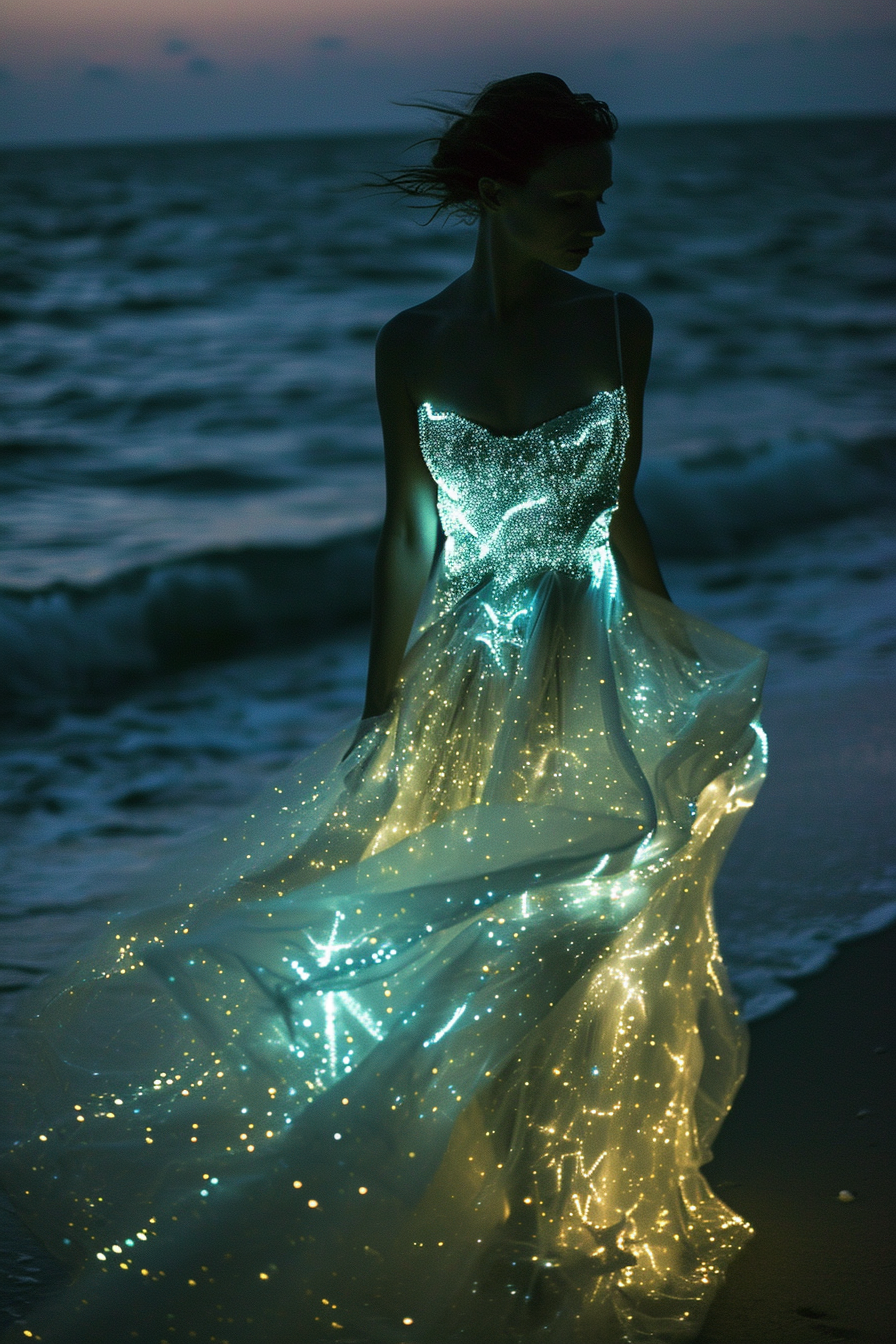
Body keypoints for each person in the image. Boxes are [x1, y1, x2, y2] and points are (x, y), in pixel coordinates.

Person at [0, 73, 767, 1344]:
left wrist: (673, 649)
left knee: (573, 924)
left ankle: (547, 1209)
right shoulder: (408, 342)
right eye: (570, 201)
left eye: (600, 202)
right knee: (453, 926)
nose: (594, 226)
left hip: (587, 651)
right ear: (492, 194)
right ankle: (467, 1204)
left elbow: (619, 507)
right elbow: (406, 534)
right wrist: (381, 715)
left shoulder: (622, 323)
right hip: (465, 673)